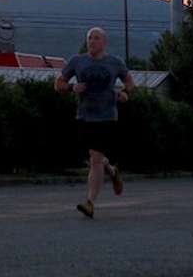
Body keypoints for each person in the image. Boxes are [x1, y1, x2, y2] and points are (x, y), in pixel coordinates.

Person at [56, 27, 135, 218]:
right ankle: (112, 171)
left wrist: (125, 93)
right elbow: (58, 84)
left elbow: (129, 82)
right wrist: (72, 87)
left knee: (95, 158)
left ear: (104, 42)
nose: (92, 41)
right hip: (84, 116)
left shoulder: (114, 62)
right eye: (90, 38)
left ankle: (90, 202)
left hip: (106, 116)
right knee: (94, 158)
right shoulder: (77, 61)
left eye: (96, 38)